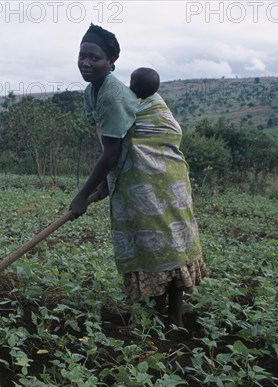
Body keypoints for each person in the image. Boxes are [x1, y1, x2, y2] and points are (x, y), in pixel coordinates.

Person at [70, 24, 209, 327]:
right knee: (146, 242)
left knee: (168, 239)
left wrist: (81, 196)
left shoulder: (112, 95)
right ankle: (153, 310)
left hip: (158, 174)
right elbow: (116, 145)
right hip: (134, 176)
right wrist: (105, 186)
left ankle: (175, 316)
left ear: (111, 63)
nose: (86, 62)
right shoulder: (94, 92)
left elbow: (110, 153)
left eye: (94, 57)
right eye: (82, 56)